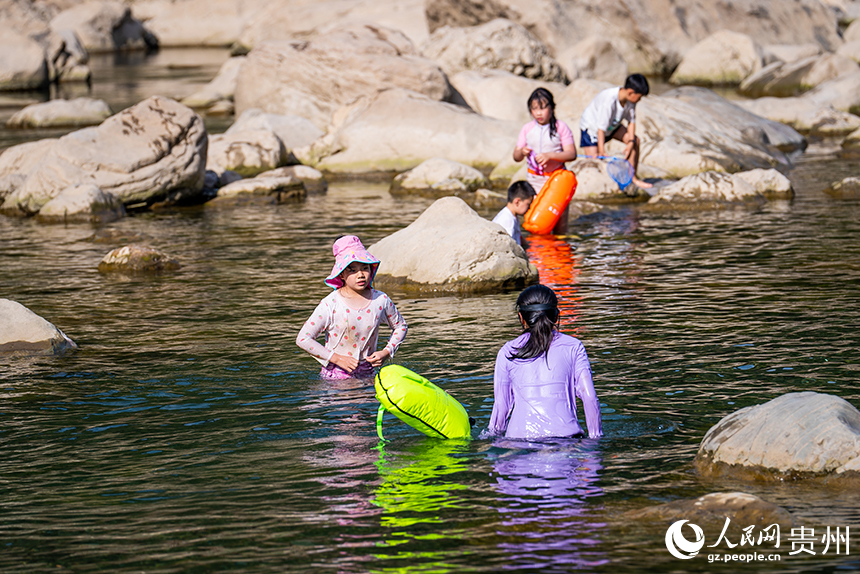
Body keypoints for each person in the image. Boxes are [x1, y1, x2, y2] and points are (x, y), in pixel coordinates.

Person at [489, 284, 602, 439]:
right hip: (565, 440)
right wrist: (596, 438)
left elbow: (501, 407)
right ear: (556, 316)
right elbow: (589, 397)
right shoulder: (574, 347)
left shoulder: (508, 351)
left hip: (519, 440)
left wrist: (492, 438)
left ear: (521, 318)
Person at [296, 235, 407, 380]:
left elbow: (401, 326)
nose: (360, 275)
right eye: (352, 270)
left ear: (371, 269)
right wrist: (337, 358)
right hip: (335, 377)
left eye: (364, 268)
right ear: (341, 274)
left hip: (368, 373)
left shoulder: (380, 300)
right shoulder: (331, 304)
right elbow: (303, 339)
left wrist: (386, 352)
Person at [512, 88, 577, 234]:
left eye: (542, 108)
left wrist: (550, 155)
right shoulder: (527, 129)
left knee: (560, 227)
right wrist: (521, 152)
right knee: (537, 225)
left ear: (552, 108)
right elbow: (516, 156)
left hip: (557, 182)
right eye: (534, 109)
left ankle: (560, 247)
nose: (538, 113)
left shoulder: (561, 127)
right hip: (534, 182)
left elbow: (571, 154)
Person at [579, 73, 652, 189]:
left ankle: (632, 178)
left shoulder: (630, 101)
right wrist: (602, 151)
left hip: (612, 125)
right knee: (594, 163)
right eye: (639, 97)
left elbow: (631, 122)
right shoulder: (609, 101)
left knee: (635, 141)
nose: (639, 100)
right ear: (630, 92)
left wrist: (631, 142)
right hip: (592, 129)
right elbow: (600, 129)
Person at [492, 180, 536, 245]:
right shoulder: (507, 220)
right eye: (528, 204)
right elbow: (507, 245)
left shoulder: (513, 216)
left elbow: (520, 236)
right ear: (517, 202)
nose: (529, 208)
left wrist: (529, 248)